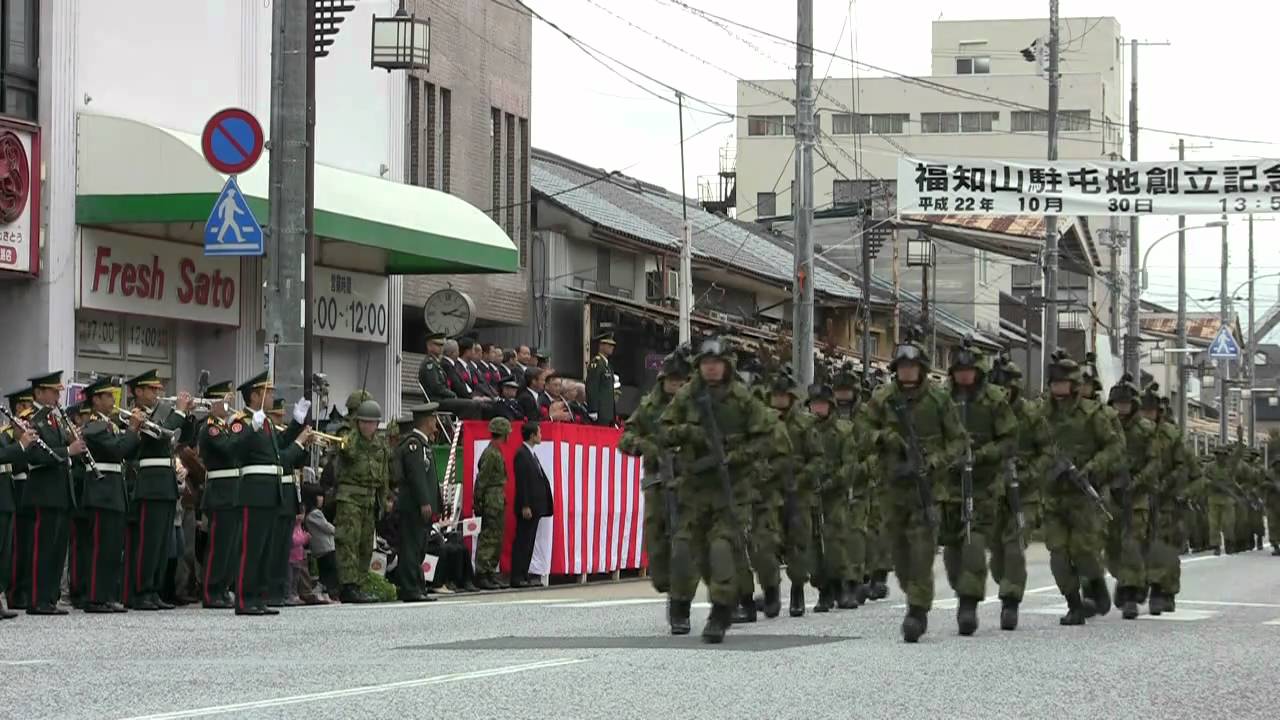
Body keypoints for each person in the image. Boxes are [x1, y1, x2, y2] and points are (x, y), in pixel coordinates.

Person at [660, 336, 785, 643]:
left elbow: (770, 436)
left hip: (732, 486)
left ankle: (721, 611)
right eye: (706, 364)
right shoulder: (688, 395)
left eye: (716, 363)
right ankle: (678, 608)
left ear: (727, 365)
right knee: (685, 549)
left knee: (721, 547)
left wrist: (735, 455)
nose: (712, 369)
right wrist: (691, 433)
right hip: (695, 486)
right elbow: (663, 428)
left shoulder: (742, 398)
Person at [863, 334, 967, 643]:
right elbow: (861, 432)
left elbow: (958, 440)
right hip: (892, 487)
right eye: (902, 367)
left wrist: (935, 462)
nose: (907, 372)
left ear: (921, 369)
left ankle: (917, 611)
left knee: (921, 551)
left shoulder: (939, 400)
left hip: (927, 488)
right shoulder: (882, 398)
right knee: (900, 555)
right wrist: (884, 438)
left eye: (912, 367)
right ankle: (914, 592)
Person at [1038, 351, 1126, 626]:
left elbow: (1114, 446)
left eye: (1063, 383)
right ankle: (1073, 604)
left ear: (1074, 385)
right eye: (1054, 383)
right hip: (1054, 496)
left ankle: (1097, 586)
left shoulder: (1093, 414)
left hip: (1083, 496)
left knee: (1085, 551)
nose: (1057, 388)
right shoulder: (1041, 414)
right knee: (1059, 554)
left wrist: (1092, 467)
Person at [943, 341, 1017, 635]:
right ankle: (961, 588)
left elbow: (1009, 440)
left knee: (973, 543)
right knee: (951, 551)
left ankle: (968, 604)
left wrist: (981, 454)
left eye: (968, 370)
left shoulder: (995, 400)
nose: (964, 376)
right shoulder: (941, 399)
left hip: (984, 484)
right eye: (959, 370)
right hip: (948, 485)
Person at [222, 371, 308, 616]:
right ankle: (244, 599)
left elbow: (280, 446)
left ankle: (259, 597)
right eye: (268, 392)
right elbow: (232, 449)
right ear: (255, 395)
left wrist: (296, 423)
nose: (272, 396)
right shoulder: (242, 421)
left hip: (271, 492)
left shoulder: (266, 421)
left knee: (266, 549)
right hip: (254, 492)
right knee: (251, 548)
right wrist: (252, 428)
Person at [620, 351, 690, 620]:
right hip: (657, 482)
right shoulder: (650, 407)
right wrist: (643, 446)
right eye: (673, 381)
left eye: (683, 381)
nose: (677, 386)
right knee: (657, 546)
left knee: (684, 545)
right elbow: (626, 436)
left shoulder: (696, 405)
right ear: (663, 381)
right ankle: (668, 585)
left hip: (689, 482)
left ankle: (680, 603)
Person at [987, 355, 1052, 629]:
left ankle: (1010, 601)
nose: (1003, 392)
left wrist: (1030, 474)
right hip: (992, 492)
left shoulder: (1031, 415)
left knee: (1014, 545)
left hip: (1024, 494)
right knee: (996, 552)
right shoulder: (984, 413)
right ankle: (1006, 583)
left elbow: (1047, 452)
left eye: (1007, 387)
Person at [123, 370, 194, 611]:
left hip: (165, 484)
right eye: (151, 389)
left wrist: (188, 415)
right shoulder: (135, 416)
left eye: (157, 389)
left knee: (162, 543)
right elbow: (161, 435)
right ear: (138, 391)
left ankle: (153, 589)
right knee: (148, 542)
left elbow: (182, 438)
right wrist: (180, 412)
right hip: (149, 484)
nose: (156, 393)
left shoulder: (161, 413)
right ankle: (141, 591)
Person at [21, 371, 88, 615]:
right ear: (39, 393)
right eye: (52, 391)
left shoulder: (54, 418)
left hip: (60, 491)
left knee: (58, 549)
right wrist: (68, 449)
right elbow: (36, 454)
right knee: (43, 548)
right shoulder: (31, 419)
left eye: (58, 392)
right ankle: (37, 599)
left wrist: (72, 443)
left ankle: (50, 597)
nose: (57, 396)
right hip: (43, 492)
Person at [76, 378, 143, 614]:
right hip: (101, 492)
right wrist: (133, 429)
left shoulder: (110, 425)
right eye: (107, 396)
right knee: (100, 548)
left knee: (114, 549)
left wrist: (136, 431)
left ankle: (107, 595)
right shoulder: (94, 425)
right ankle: (95, 597)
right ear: (95, 400)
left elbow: (124, 450)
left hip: (114, 491)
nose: (113, 401)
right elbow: (117, 450)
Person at [1104, 375, 1163, 620]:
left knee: (1133, 544)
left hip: (1137, 495)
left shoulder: (1146, 429)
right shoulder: (1104, 425)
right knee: (1112, 548)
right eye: (1117, 404)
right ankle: (1123, 580)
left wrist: (1137, 482)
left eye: (1126, 404)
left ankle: (1130, 594)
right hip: (1110, 494)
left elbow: (1154, 462)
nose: (1121, 409)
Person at [1140, 383, 1192, 614]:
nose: (1147, 415)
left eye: (1150, 411)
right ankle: (1147, 585)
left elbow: (1182, 467)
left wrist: (1167, 485)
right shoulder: (1132, 432)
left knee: (1164, 547)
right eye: (1143, 411)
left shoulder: (1171, 435)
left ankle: (1163, 592)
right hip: (1139, 497)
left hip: (1167, 499)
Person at [333, 397, 390, 603]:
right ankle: (347, 586)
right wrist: (355, 431)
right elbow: (347, 451)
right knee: (348, 542)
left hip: (369, 499)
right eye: (364, 422)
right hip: (350, 499)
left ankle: (359, 583)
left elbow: (384, 476)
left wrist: (383, 501)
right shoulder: (349, 438)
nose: (368, 426)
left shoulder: (379, 445)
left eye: (372, 422)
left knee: (366, 544)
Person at [196, 381, 240, 609]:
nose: (229, 405)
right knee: (219, 547)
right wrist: (238, 427)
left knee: (231, 547)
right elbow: (228, 448)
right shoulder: (211, 427)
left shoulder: (224, 426)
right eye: (225, 400)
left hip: (232, 492)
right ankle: (211, 591)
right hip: (220, 492)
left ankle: (223, 588)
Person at [393, 403, 441, 603]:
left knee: (419, 547)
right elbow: (416, 475)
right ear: (428, 421)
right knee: (411, 547)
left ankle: (417, 585)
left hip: (420, 506)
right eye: (433, 419)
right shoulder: (414, 445)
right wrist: (424, 501)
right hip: (413, 506)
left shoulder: (422, 444)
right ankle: (410, 587)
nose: (435, 423)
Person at [266, 398, 311, 607]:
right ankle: (275, 591)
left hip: (288, 494)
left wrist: (302, 443)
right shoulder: (266, 433)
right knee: (276, 549)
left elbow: (295, 460)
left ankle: (282, 591)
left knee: (284, 549)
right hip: (276, 494)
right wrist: (298, 442)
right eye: (276, 415)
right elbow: (282, 458)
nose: (280, 419)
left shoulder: (277, 433)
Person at [0, 391, 37, 619]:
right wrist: (20, 445)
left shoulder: (4, 432)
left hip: (6, 496)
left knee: (5, 553)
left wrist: (17, 437)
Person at [511, 422, 553, 588]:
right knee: (523, 541)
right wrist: (525, 505)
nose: (541, 436)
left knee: (529, 542)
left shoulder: (531, 454)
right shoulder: (522, 454)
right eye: (539, 433)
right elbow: (523, 483)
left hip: (536, 507)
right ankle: (517, 576)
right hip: (527, 507)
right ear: (532, 435)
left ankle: (523, 573)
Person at [473, 417, 511, 590]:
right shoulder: (491, 453)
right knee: (489, 537)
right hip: (491, 499)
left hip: (497, 498)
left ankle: (490, 571)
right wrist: (478, 501)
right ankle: (482, 573)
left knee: (496, 537)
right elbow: (482, 480)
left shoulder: (495, 451)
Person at [303, 485, 339, 600]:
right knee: (329, 571)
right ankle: (327, 593)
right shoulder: (315, 514)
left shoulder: (310, 513)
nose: (321, 499)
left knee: (325, 572)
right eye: (318, 496)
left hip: (320, 548)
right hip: (326, 547)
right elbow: (327, 527)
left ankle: (325, 593)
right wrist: (338, 531)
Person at [585, 333, 618, 426]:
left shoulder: (607, 365)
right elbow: (592, 387)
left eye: (613, 345)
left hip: (608, 413)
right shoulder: (597, 363)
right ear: (601, 345)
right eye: (609, 345)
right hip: (600, 412)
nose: (612, 347)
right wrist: (593, 409)